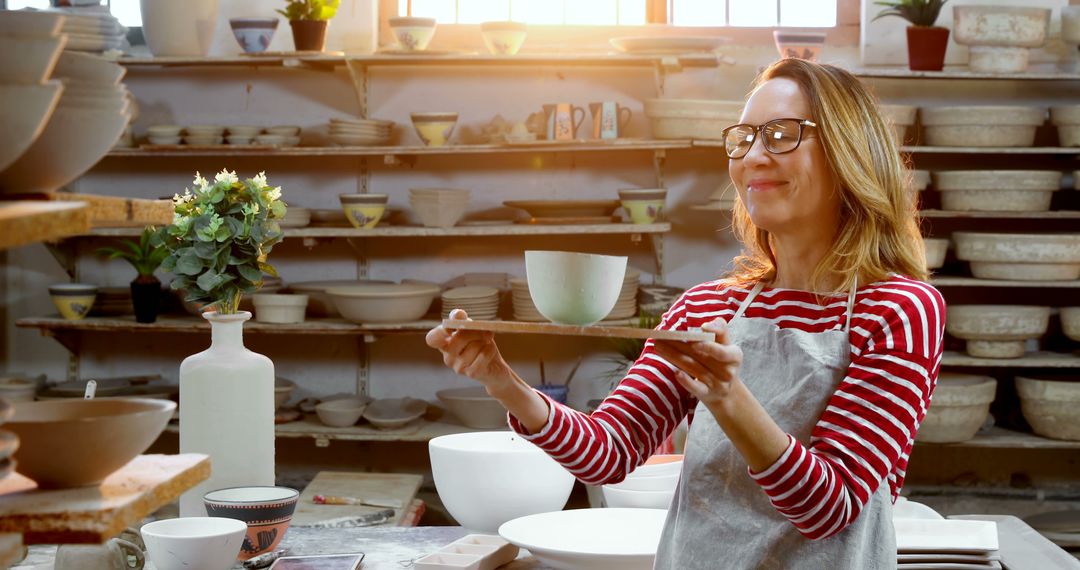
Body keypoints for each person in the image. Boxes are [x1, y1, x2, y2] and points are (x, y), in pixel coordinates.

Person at [425, 58, 945, 569]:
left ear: (849, 150)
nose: (753, 157)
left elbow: (828, 507)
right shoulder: (706, 305)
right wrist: (502, 382)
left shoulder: (900, 309)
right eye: (743, 138)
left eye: (782, 134)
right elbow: (609, 452)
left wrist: (728, 400)